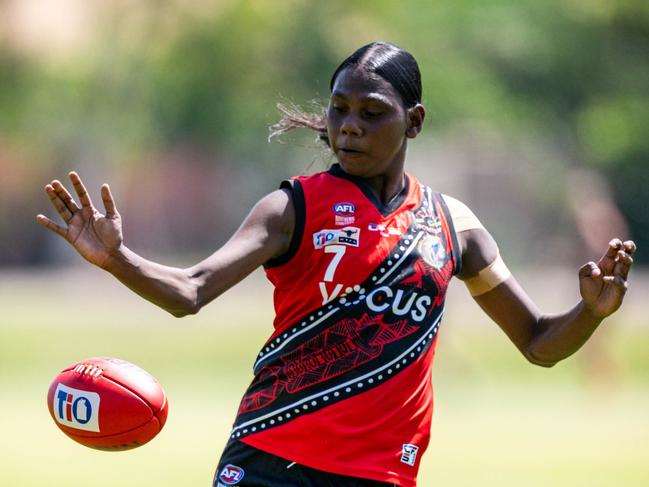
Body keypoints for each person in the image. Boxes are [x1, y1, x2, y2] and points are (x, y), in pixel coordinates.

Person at [37, 41, 636, 487]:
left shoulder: (455, 227)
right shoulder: (291, 207)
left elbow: (538, 343)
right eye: (339, 109)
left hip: (381, 475)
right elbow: (189, 291)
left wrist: (590, 312)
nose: (349, 126)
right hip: (271, 459)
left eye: (372, 112)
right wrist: (117, 259)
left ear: (415, 121)